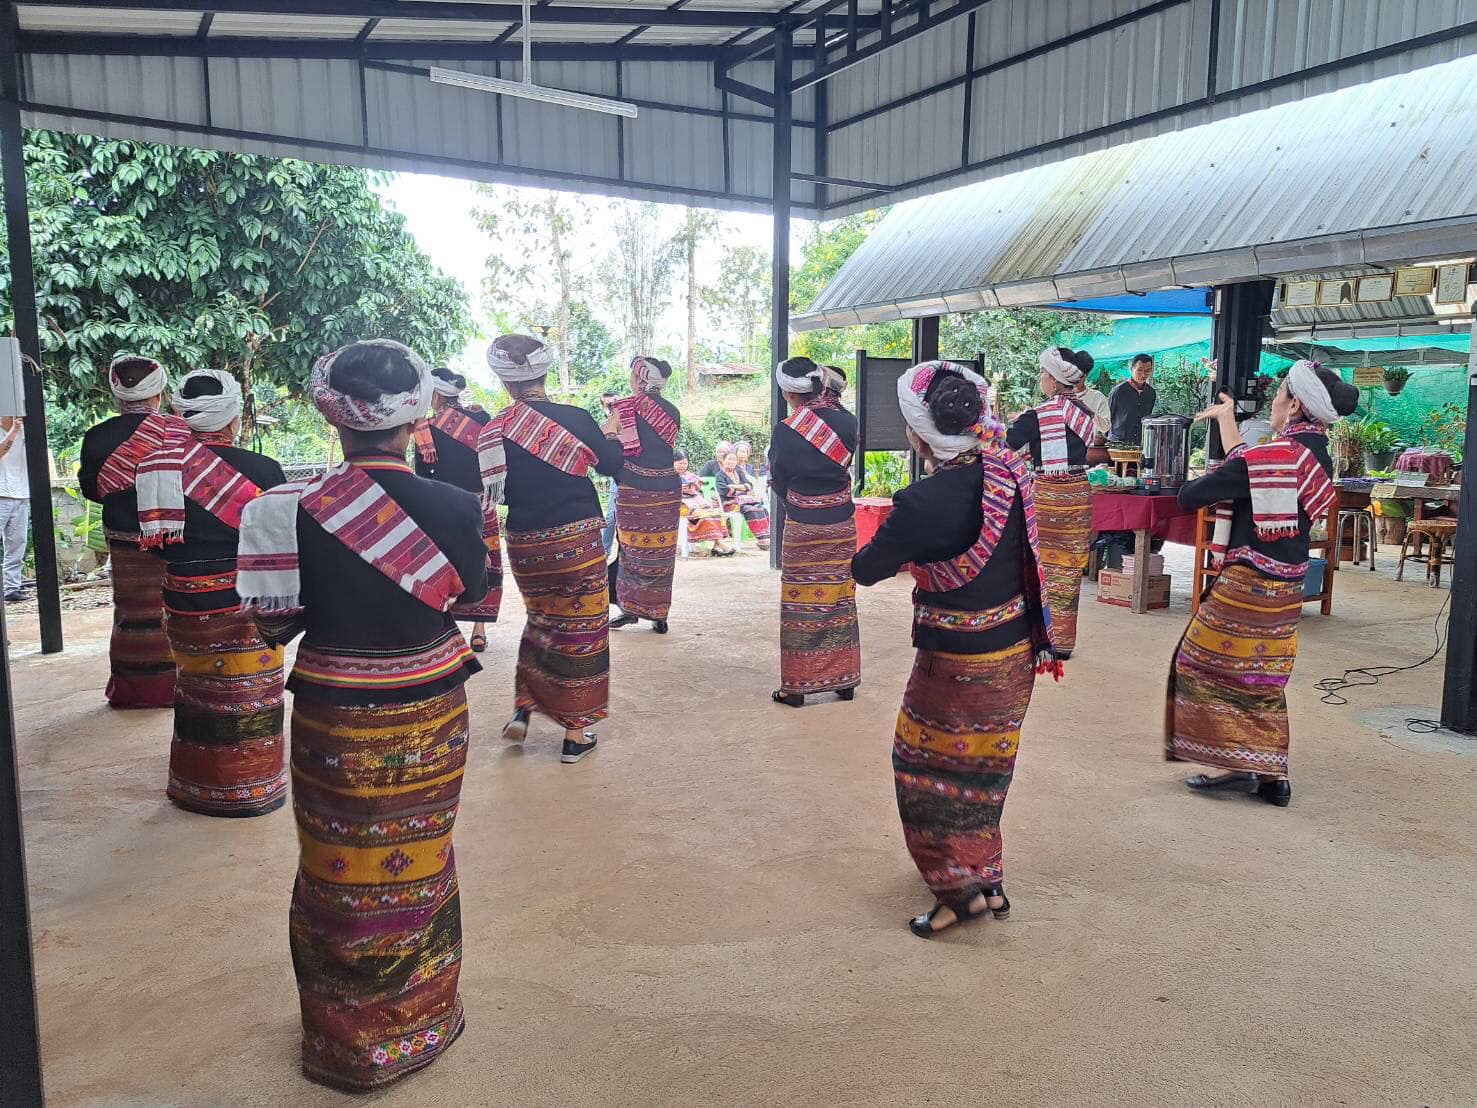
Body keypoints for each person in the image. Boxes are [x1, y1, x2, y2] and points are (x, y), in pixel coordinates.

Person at [237, 340, 489, 1091]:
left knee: (334, 867)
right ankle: (417, 1022)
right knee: (420, 853)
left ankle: (343, 1041)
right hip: (431, 707)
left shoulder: (280, 511)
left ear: (331, 415)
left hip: (331, 714)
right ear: (416, 415)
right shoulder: (457, 505)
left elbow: (272, 628)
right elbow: (471, 596)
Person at [852, 361, 1057, 938]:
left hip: (954, 662)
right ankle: (987, 879)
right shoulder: (1013, 474)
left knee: (925, 766)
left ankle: (957, 892)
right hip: (1016, 652)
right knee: (988, 764)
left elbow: (866, 570)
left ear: (920, 433)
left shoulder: (921, 502)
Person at [1166, 360, 1355, 808]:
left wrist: (1205, 479)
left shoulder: (1272, 457)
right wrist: (1228, 420)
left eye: (1279, 394)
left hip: (1248, 578)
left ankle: (1239, 765)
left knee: (1201, 663)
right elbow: (1248, 468)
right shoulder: (1314, 455)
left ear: (1294, 406)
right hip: (1289, 580)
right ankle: (1272, 774)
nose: (1273, 402)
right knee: (1263, 673)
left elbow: (1192, 495)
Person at [135, 369, 288, 817]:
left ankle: (194, 785)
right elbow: (282, 544)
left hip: (183, 600)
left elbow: (154, 544)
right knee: (249, 691)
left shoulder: (155, 470)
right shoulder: (263, 470)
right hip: (246, 601)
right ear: (233, 417)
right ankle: (252, 785)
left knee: (196, 688)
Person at [482, 334, 624, 763]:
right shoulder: (577, 419)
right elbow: (613, 467)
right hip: (577, 537)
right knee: (582, 628)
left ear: (505, 382)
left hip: (526, 542)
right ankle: (576, 734)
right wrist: (611, 435)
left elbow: (496, 493)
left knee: (540, 621)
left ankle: (523, 709)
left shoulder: (494, 429)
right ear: (543, 373)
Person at [79, 354, 180, 709]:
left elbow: (92, 490)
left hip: (122, 535)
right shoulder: (178, 431)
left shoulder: (96, 436)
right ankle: (175, 686)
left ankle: (131, 689)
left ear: (116, 391)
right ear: (159, 390)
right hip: (172, 534)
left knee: (129, 609)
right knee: (174, 606)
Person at [768, 355, 860, 707]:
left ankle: (797, 687)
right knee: (839, 595)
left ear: (789, 394)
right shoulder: (848, 421)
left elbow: (778, 478)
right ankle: (844, 679)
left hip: (804, 524)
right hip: (841, 523)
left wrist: (796, 499)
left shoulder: (787, 429)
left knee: (800, 601)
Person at [1005, 348, 1096, 658]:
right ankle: (1064, 642)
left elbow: (1005, 444)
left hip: (1048, 497)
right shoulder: (1085, 413)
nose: (1041, 379)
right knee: (1070, 568)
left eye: (1044, 374)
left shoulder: (1039, 415)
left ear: (1056, 380)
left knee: (1040, 564)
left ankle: (1041, 635)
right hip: (1078, 495)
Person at [413, 366, 502, 652]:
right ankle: (479, 629)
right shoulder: (481, 417)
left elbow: (423, 476)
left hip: (443, 507)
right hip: (480, 504)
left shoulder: (423, 429)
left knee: (443, 564)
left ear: (436, 394)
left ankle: (444, 626)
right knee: (486, 562)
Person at [603, 356, 682, 633]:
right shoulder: (673, 410)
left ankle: (630, 610)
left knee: (630, 551)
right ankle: (659, 613)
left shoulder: (624, 407)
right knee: (661, 553)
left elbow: (608, 445)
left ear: (639, 379)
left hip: (635, 488)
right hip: (668, 490)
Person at [675, 450, 734, 555]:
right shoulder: (667, 477)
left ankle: (717, 546)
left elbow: (698, 486)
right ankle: (721, 543)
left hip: (696, 503)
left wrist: (692, 486)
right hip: (680, 506)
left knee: (716, 513)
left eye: (684, 463)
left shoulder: (690, 475)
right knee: (701, 515)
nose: (682, 466)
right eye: (679, 463)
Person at [716, 447, 770, 550]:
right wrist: (742, 488)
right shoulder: (720, 476)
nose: (732, 462)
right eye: (729, 459)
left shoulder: (739, 472)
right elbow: (724, 490)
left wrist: (735, 487)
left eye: (734, 459)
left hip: (745, 501)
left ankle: (766, 537)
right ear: (723, 461)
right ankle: (762, 539)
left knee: (761, 508)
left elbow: (749, 485)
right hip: (730, 503)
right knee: (751, 509)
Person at [0, 416, 28, 601]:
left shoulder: (27, 431)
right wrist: (14, 431)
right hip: (1, 492)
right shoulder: (15, 430)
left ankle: (11, 588)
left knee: (17, 543)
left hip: (22, 492)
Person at [1108, 353, 1157, 445]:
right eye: (1139, 370)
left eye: (1147, 371)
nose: (1143, 374)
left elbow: (1147, 417)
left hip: (1139, 442)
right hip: (1117, 442)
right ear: (1132, 369)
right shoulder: (1118, 391)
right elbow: (1107, 416)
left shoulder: (1151, 393)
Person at [599, 390, 621, 551]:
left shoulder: (631, 420)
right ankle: (605, 552)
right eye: (608, 405)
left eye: (614, 403)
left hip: (635, 475)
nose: (612, 407)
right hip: (617, 477)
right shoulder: (604, 427)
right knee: (612, 517)